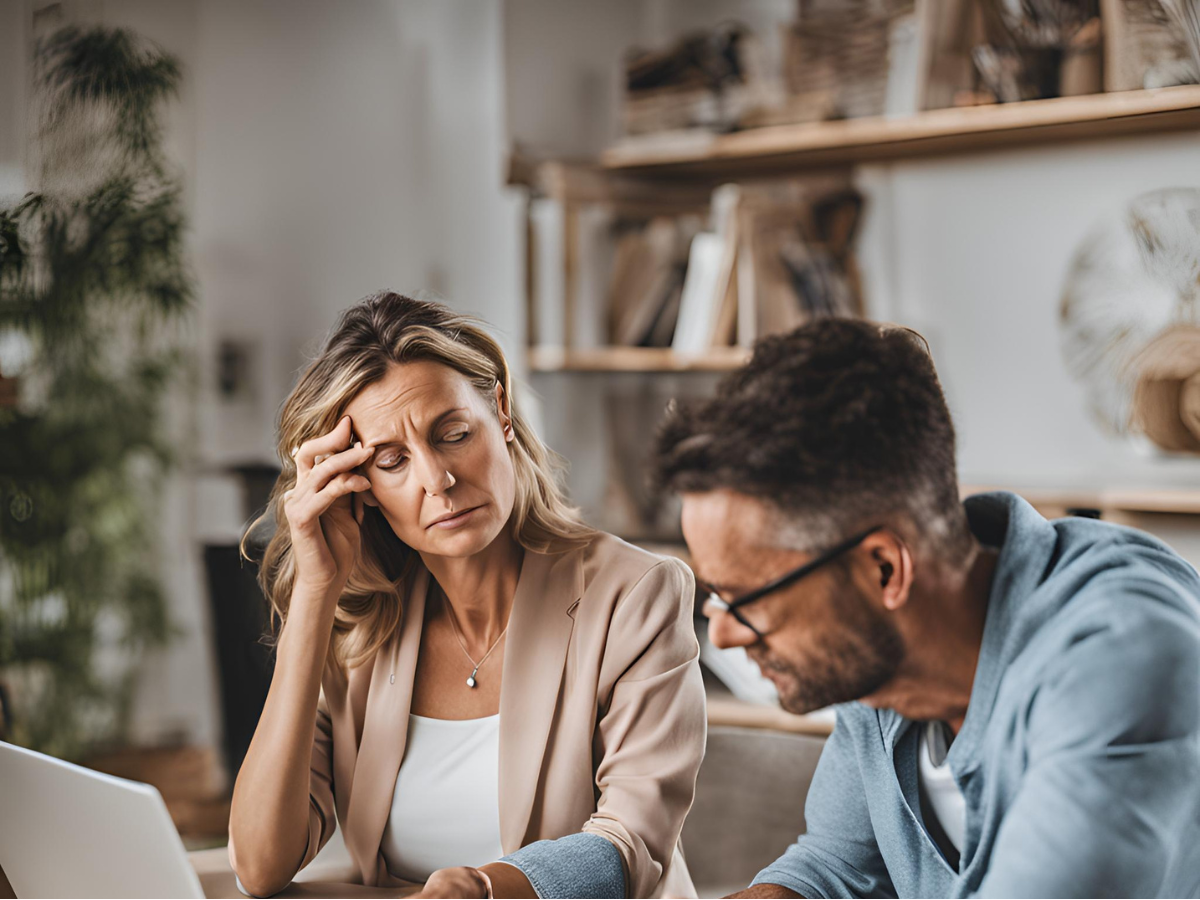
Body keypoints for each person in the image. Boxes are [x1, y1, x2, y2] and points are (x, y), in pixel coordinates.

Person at [652, 318, 1200, 898]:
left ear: (883, 569)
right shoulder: (884, 666)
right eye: (713, 597)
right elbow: (830, 874)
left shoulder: (1118, 659)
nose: (725, 635)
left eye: (747, 598)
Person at [229, 292, 705, 899]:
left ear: (500, 413)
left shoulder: (635, 595)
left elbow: (631, 843)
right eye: (392, 460)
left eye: (453, 433)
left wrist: (484, 891)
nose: (438, 480)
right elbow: (260, 867)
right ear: (361, 487)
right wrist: (316, 597)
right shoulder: (360, 626)